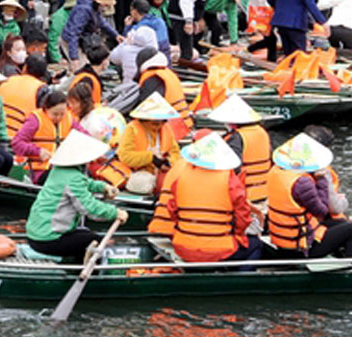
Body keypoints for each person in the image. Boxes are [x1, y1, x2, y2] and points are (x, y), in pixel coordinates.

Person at [149, 131, 258, 263]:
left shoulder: (182, 175)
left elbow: (173, 210)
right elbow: (242, 216)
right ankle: (238, 282)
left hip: (183, 247)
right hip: (220, 251)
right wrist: (237, 234)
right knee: (256, 245)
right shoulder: (229, 178)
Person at [266, 132, 352, 258]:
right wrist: (321, 180)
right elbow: (321, 210)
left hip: (288, 239)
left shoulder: (276, 172)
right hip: (301, 247)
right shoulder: (302, 182)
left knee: (342, 224)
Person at [24, 131, 126, 262]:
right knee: (95, 241)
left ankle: (77, 265)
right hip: (48, 239)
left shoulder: (58, 170)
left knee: (86, 234)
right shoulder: (73, 177)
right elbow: (88, 208)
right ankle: (88, 276)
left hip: (37, 235)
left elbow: (84, 182)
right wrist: (115, 212)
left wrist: (103, 187)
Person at [115, 91, 181, 195]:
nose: (159, 124)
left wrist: (168, 162)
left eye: (162, 120)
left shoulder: (166, 129)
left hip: (161, 175)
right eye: (154, 121)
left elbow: (175, 153)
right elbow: (125, 156)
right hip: (136, 176)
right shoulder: (132, 129)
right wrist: (151, 158)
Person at [210, 95, 271, 204]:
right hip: (264, 190)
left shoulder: (237, 137)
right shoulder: (262, 132)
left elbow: (233, 165)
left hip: (245, 192)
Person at [60, 0, 121, 68]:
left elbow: (101, 21)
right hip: (72, 41)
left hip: (84, 40)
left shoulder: (95, 6)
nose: (106, 8)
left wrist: (116, 35)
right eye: (106, 5)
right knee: (80, 68)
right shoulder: (83, 10)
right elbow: (73, 33)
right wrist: (74, 57)